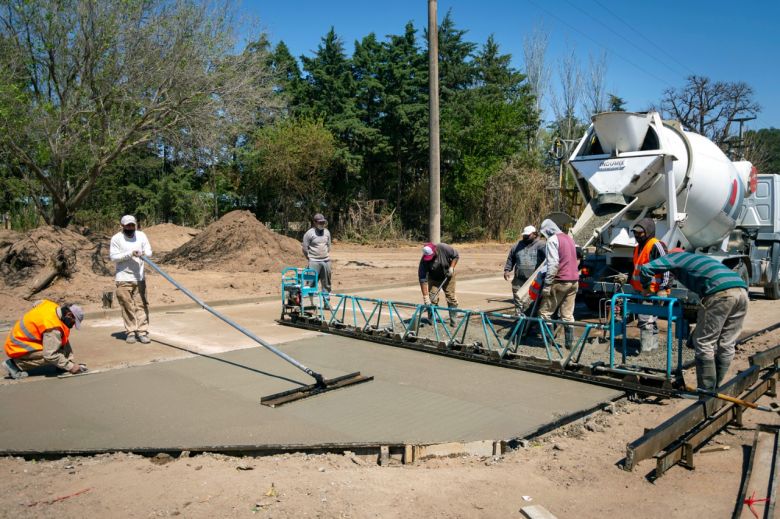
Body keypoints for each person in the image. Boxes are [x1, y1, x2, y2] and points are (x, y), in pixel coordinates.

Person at [640, 251, 748, 391]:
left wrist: (646, 288)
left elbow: (646, 268)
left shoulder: (673, 257)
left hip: (720, 293)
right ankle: (716, 388)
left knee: (704, 343)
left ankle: (706, 391)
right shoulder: (696, 258)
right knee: (727, 343)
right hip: (741, 291)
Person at [3, 299, 86, 379]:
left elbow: (37, 303)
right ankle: (14, 365)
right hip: (17, 346)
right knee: (52, 355)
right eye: (73, 322)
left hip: (19, 338)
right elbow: (50, 355)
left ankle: (64, 364)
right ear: (69, 315)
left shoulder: (51, 305)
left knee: (60, 339)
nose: (72, 326)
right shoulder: (52, 327)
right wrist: (71, 367)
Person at [110, 214, 153, 344]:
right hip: (123, 278)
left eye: (132, 225)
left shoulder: (141, 235)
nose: (130, 227)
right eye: (128, 225)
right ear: (122, 226)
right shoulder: (116, 238)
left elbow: (149, 251)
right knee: (127, 306)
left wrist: (144, 253)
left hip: (139, 277)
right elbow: (113, 257)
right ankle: (131, 332)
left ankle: (142, 332)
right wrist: (130, 253)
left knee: (142, 305)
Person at [629, 218, 670, 353]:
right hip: (641, 291)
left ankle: (646, 351)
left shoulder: (656, 245)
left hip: (653, 292)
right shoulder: (637, 248)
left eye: (640, 233)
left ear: (648, 232)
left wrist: (663, 288)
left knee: (645, 321)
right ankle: (652, 349)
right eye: (635, 233)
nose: (637, 235)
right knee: (651, 320)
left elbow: (667, 266)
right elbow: (636, 268)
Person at [537, 219, 579, 348]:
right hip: (574, 281)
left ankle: (548, 344)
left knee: (545, 313)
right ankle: (568, 345)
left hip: (560, 280)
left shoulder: (553, 240)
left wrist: (548, 284)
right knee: (567, 315)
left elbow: (553, 263)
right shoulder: (569, 238)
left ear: (548, 230)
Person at [503, 225, 546, 315]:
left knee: (532, 302)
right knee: (518, 298)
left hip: (534, 280)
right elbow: (511, 258)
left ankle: (530, 319)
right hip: (519, 279)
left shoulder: (542, 245)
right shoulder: (517, 246)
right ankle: (519, 317)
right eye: (524, 235)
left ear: (534, 234)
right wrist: (507, 270)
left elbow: (548, 261)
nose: (525, 237)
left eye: (528, 235)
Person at [418, 242, 459, 325]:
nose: (430, 259)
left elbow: (456, 256)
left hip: (448, 276)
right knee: (432, 299)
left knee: (451, 297)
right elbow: (422, 279)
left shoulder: (444, 247)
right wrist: (425, 297)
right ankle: (431, 321)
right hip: (434, 279)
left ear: (435, 250)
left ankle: (453, 321)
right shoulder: (424, 261)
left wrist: (451, 267)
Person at [302, 213, 332, 307]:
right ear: (315, 222)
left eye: (323, 222)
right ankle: (310, 303)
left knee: (326, 283)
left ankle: (326, 302)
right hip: (314, 262)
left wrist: (325, 255)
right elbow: (305, 248)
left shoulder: (327, 232)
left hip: (326, 261)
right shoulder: (309, 233)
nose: (322, 224)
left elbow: (329, 245)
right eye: (320, 222)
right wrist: (310, 258)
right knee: (311, 283)